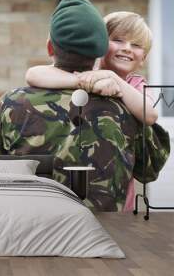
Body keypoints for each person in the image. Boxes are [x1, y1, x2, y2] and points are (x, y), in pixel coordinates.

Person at [0, 0, 145, 211]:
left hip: (32, 232)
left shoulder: (10, 104)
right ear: (100, 55)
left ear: (50, 48)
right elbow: (148, 171)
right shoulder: (127, 107)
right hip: (106, 234)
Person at [25, 11, 157, 212]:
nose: (127, 49)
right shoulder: (84, 72)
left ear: (143, 58)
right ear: (101, 45)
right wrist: (83, 81)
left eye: (136, 45)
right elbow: (33, 74)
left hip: (114, 192)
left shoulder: (135, 84)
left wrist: (114, 79)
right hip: (69, 176)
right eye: (118, 40)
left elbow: (150, 115)